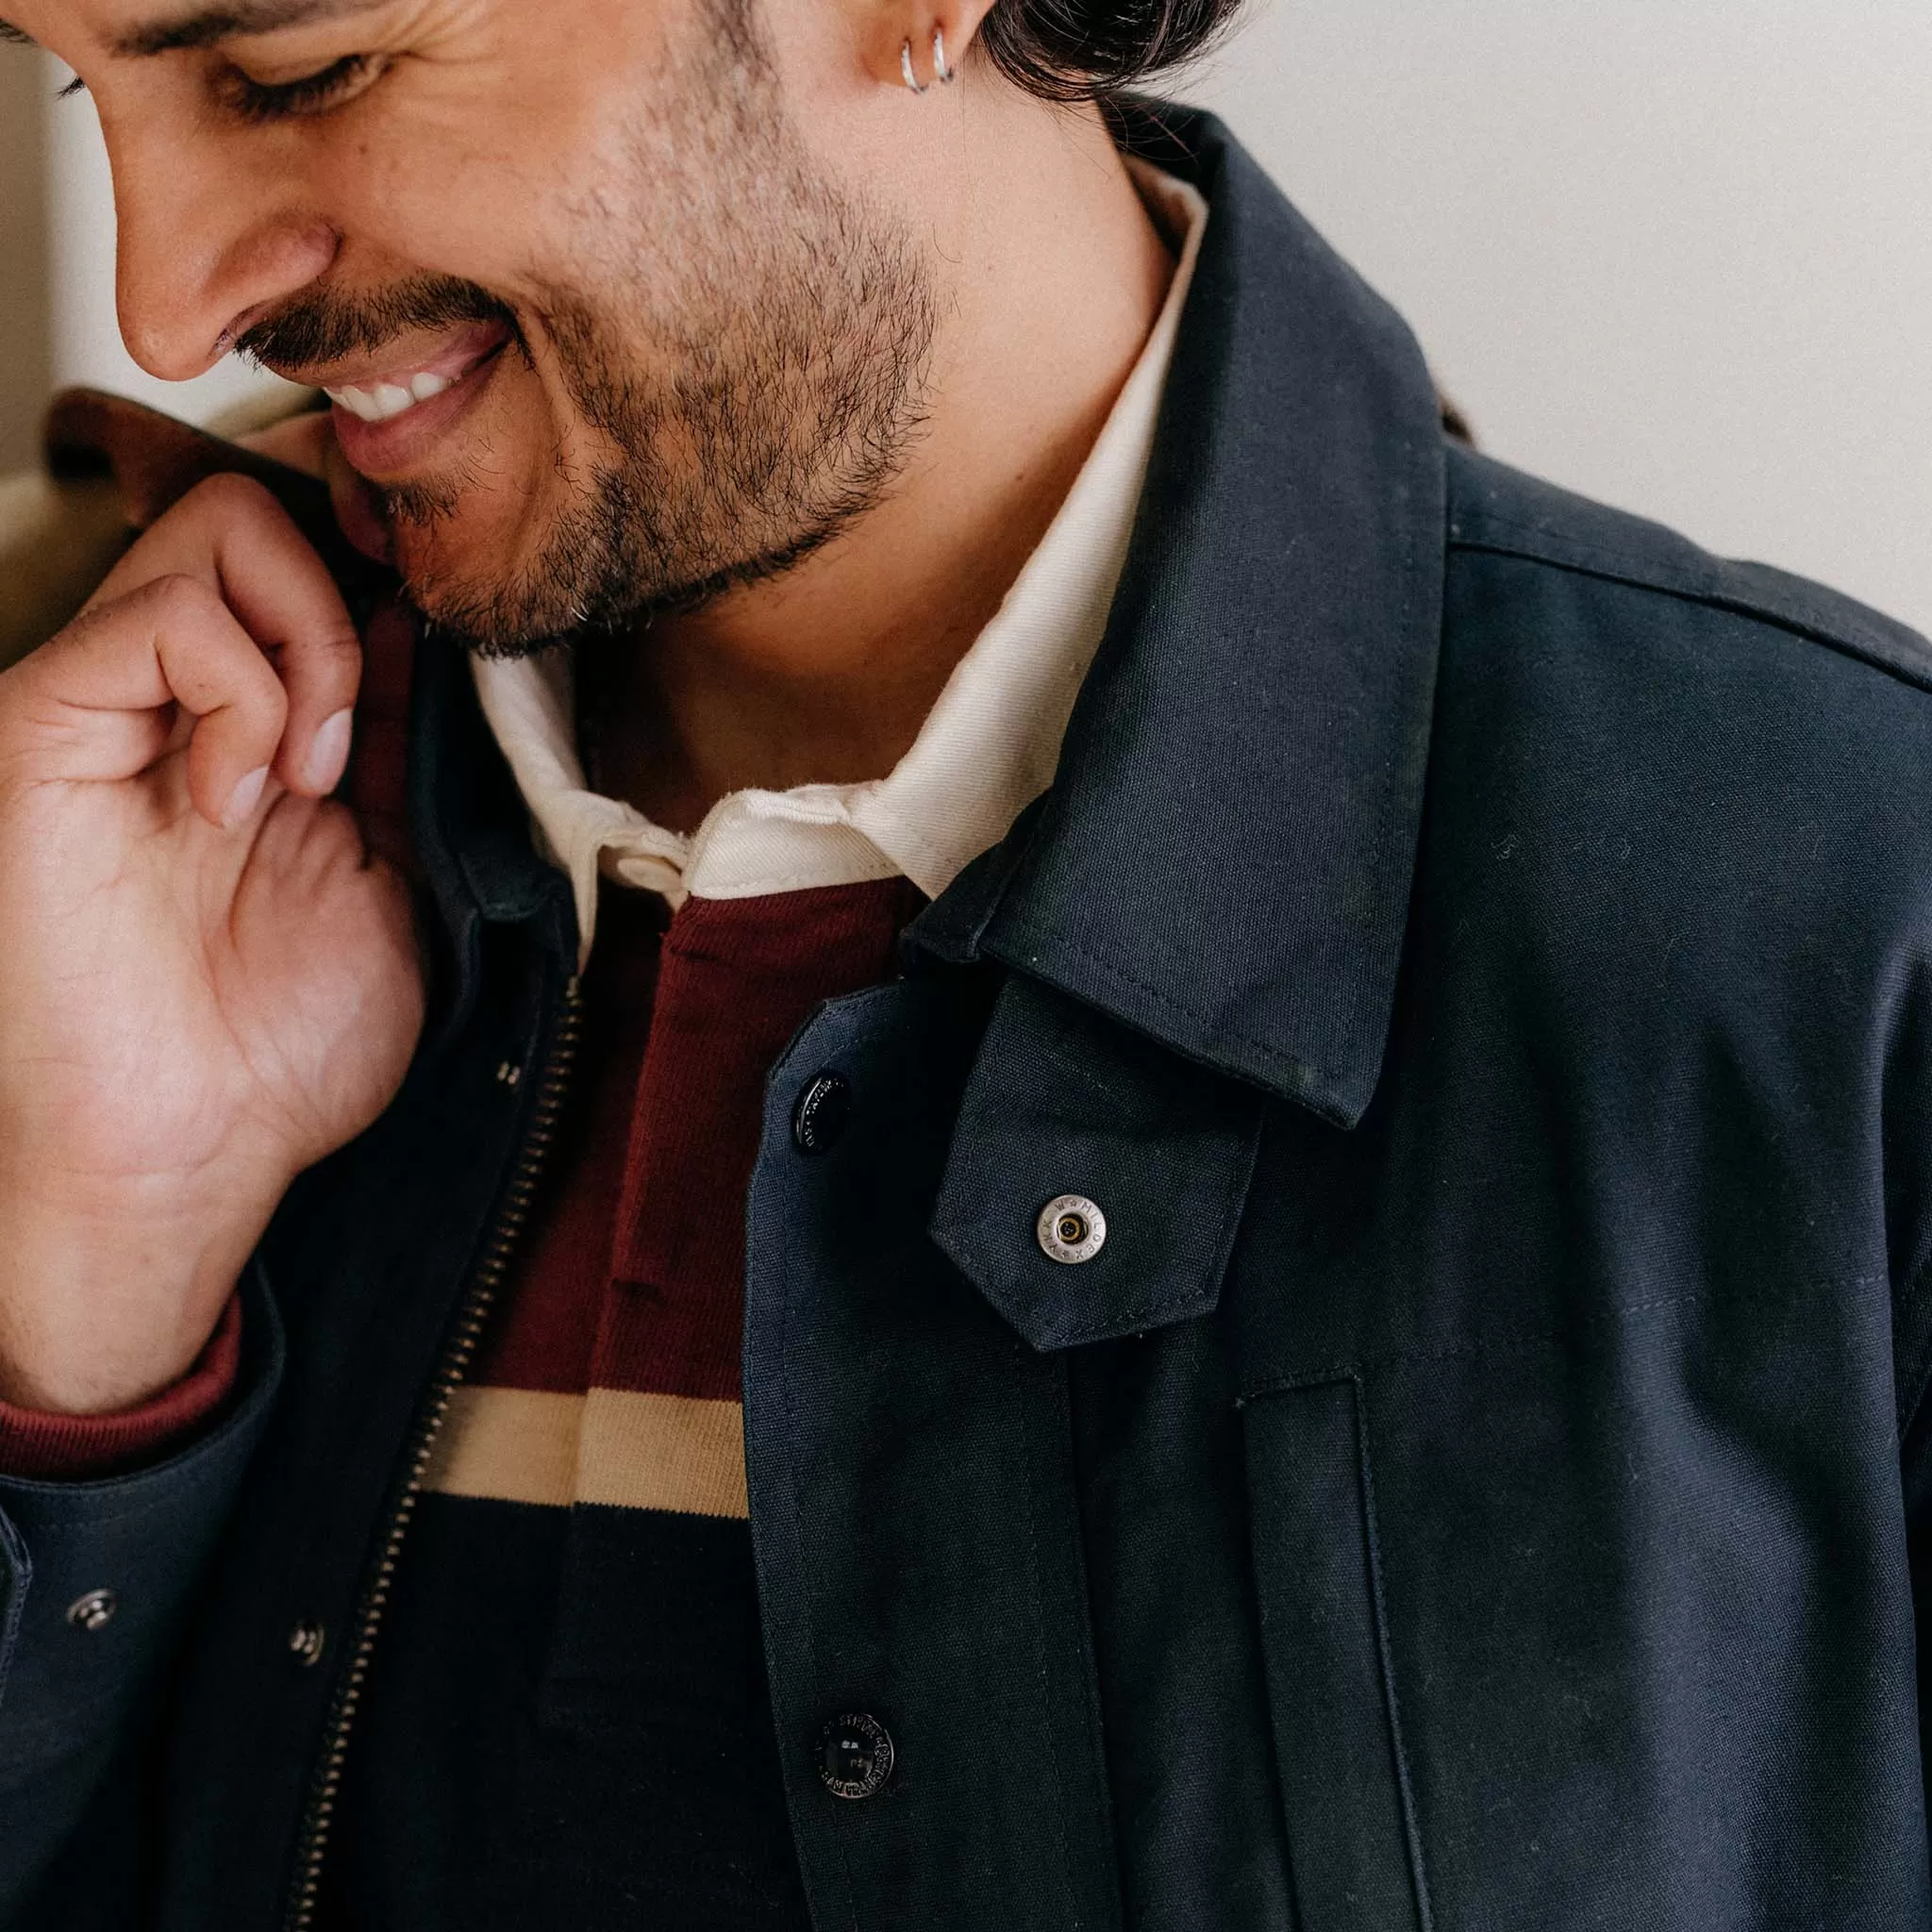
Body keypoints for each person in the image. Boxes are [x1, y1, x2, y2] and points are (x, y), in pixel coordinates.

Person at [1, 0, 1930, 1923]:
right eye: (84, 88)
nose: (162, 301)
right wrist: (84, 1301)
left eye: (295, 72)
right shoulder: (65, 794)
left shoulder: (1848, 941)